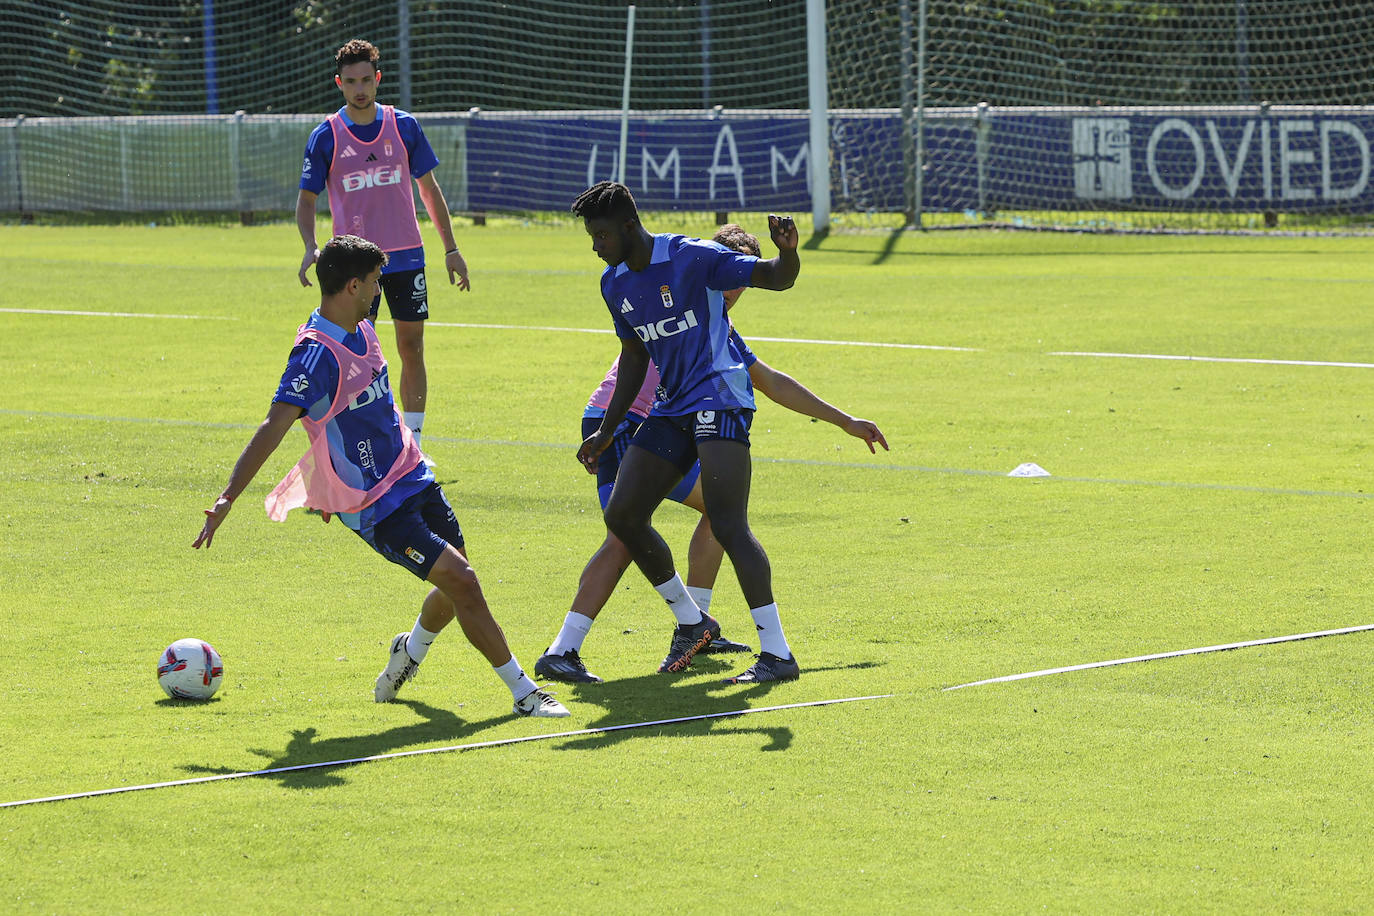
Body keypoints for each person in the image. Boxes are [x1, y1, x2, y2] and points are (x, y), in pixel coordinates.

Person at [193, 235, 567, 718]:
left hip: (411, 474)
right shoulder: (314, 357)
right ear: (352, 285)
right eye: (373, 283)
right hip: (375, 505)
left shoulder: (364, 325)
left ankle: (408, 653)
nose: (378, 290)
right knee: (465, 582)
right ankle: (524, 693)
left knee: (456, 590)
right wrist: (228, 498)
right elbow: (275, 426)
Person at [537, 224, 887, 684]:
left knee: (715, 514)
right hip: (620, 422)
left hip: (665, 420)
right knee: (625, 533)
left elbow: (770, 379)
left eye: (739, 278)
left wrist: (844, 420)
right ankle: (568, 647)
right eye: (727, 271)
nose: (733, 286)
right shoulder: (686, 299)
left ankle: (697, 623)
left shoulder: (717, 322)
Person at [572, 181, 807, 685]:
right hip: (672, 406)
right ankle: (694, 620)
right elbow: (635, 356)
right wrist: (608, 431)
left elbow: (775, 277)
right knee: (624, 514)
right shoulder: (614, 283)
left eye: (603, 235)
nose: (597, 246)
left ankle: (777, 653)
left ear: (630, 226)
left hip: (720, 399)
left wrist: (789, 254)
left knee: (727, 523)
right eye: (592, 236)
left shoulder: (693, 257)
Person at [296, 38, 470, 459]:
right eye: (350, 81)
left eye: (366, 80)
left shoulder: (404, 126)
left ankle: (413, 443)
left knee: (411, 348)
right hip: (355, 265)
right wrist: (309, 246)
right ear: (339, 83)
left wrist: (450, 248)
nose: (359, 89)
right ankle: (362, 442)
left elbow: (429, 190)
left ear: (378, 79)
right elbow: (307, 199)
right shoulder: (326, 136)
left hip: (407, 256)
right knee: (356, 355)